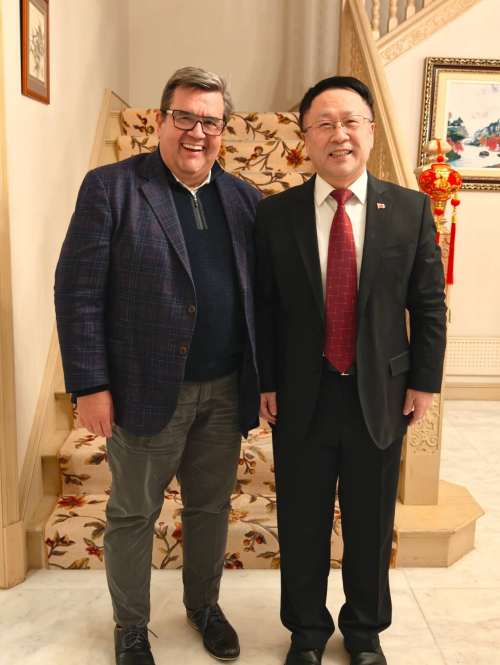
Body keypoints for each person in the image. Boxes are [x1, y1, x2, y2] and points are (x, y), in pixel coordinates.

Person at [55, 67, 262, 665]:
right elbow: (78, 292)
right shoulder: (112, 187)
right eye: (185, 117)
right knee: (133, 512)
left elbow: (262, 298)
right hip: (143, 387)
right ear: (160, 119)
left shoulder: (246, 199)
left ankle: (204, 606)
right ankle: (131, 626)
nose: (197, 132)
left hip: (225, 388)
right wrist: (90, 384)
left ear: (224, 130)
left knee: (210, 507)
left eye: (211, 122)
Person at [255, 76, 447, 665]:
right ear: (305, 138)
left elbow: (429, 303)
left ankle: (364, 632)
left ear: (370, 131)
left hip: (380, 394)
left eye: (350, 121)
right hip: (301, 395)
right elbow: (263, 307)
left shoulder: (410, 208)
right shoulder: (275, 214)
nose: (339, 135)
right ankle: (306, 633)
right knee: (302, 522)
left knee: (371, 523)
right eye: (324, 123)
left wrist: (425, 381)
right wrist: (265, 381)